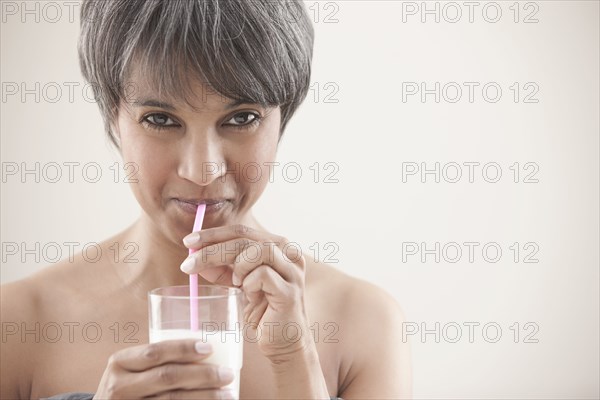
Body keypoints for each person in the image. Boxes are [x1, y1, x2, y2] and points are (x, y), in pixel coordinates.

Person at [0, 0, 412, 398]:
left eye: (241, 118)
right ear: (113, 115)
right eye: (161, 120)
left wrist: (296, 361)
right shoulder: (18, 324)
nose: (203, 171)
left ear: (282, 116)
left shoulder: (366, 324)